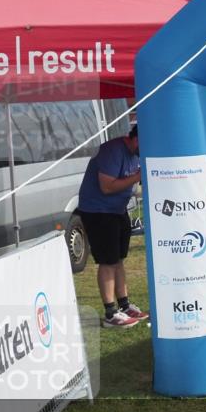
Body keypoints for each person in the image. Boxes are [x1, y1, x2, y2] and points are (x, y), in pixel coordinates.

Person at [76, 124, 148, 329]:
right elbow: (106, 187)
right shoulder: (113, 150)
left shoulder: (135, 154)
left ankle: (124, 306)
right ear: (136, 139)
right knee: (108, 261)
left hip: (117, 210)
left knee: (118, 260)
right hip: (98, 212)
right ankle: (110, 312)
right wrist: (137, 177)